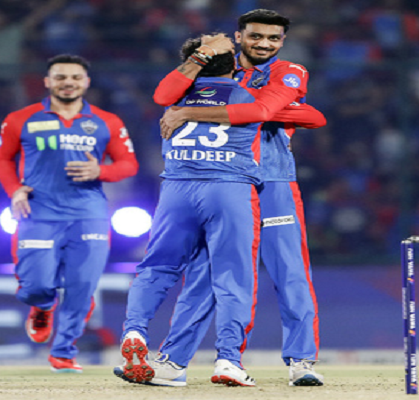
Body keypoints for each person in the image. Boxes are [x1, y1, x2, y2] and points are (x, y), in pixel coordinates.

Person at [145, 9, 325, 387]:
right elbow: (163, 96)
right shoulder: (217, 68)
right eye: (256, 36)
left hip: (273, 182)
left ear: (282, 42)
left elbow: (267, 111)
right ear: (238, 36)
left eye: (273, 38)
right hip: (224, 182)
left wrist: (188, 112)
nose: (265, 44)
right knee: (206, 274)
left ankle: (301, 362)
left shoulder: (289, 71)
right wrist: (204, 63)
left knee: (289, 270)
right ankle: (174, 362)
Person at [116, 34, 264, 387]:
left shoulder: (177, 95)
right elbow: (302, 115)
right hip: (229, 189)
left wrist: (200, 56)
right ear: (233, 64)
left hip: (177, 190)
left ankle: (135, 330)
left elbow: (161, 93)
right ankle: (228, 359)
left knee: (156, 267)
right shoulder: (249, 93)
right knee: (232, 277)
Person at [0, 54, 139, 373]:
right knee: (34, 286)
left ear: (86, 82)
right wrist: (15, 189)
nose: (68, 83)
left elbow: (129, 164)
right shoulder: (20, 118)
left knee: (82, 285)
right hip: (37, 212)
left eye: (75, 77)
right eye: (60, 77)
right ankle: (42, 306)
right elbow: (2, 158)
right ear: (47, 82)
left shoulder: (107, 121)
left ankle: (63, 352)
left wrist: (100, 171)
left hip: (89, 213)